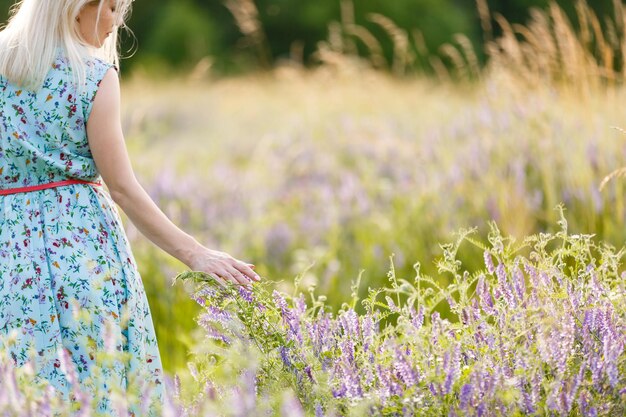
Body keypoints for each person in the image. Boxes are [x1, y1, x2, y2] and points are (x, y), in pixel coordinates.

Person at [0, 0, 260, 414]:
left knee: (20, 387)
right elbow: (121, 187)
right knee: (99, 384)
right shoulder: (92, 75)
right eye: (113, 9)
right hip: (83, 252)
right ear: (78, 8)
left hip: (9, 255)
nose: (117, 23)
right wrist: (196, 252)